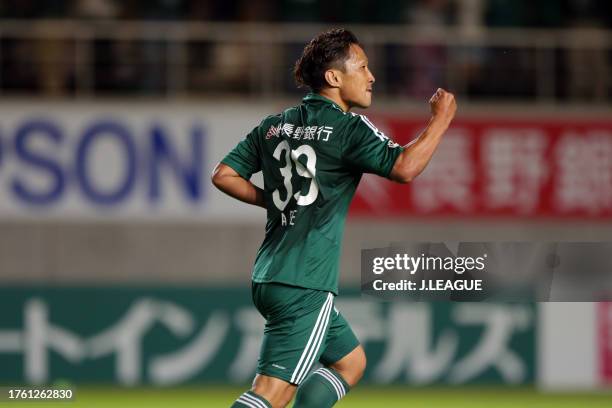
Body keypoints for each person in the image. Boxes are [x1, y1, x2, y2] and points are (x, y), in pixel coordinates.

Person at [212, 28, 456, 408]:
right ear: (333, 77)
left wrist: (279, 201)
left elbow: (223, 175)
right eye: (362, 66)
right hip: (304, 281)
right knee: (272, 395)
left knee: (350, 363)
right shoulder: (347, 128)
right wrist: (440, 120)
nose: (371, 76)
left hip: (271, 273)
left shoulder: (275, 125)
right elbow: (405, 168)